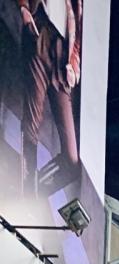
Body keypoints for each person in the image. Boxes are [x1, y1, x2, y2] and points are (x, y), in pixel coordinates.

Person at [18, 0, 82, 195]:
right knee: (32, 123)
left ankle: (34, 193)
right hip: (40, 32)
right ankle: (28, 192)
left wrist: (74, 60)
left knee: (71, 162)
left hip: (62, 55)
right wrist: (25, 11)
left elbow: (79, 25)